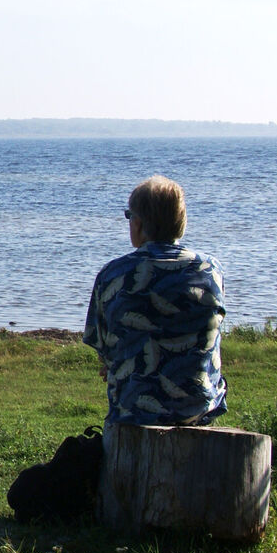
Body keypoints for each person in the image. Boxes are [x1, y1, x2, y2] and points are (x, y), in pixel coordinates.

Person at [83, 175, 227, 428]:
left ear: (138, 224)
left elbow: (102, 344)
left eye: (129, 216)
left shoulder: (114, 274)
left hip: (133, 411)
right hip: (196, 408)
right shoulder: (209, 270)